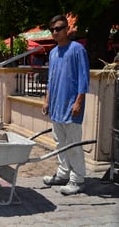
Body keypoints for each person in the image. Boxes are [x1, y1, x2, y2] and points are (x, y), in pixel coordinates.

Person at [42, 15, 90, 195]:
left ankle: (78, 179)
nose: (55, 32)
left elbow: (84, 78)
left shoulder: (77, 50)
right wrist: (47, 101)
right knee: (60, 143)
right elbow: (50, 80)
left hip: (71, 106)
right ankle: (63, 174)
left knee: (73, 144)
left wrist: (79, 101)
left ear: (67, 29)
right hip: (56, 106)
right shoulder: (53, 53)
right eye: (53, 29)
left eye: (59, 28)